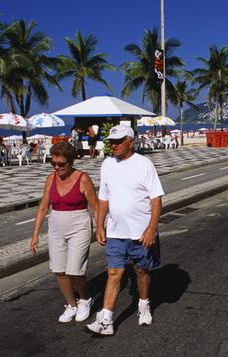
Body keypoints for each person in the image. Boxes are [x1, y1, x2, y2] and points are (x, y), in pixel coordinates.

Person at [87, 125, 164, 336]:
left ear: (131, 141)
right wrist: (99, 225)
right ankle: (106, 320)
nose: (114, 145)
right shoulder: (107, 164)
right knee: (114, 273)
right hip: (115, 232)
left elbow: (156, 200)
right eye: (112, 142)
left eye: (119, 141)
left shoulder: (144, 164)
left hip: (141, 233)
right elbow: (103, 197)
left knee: (141, 271)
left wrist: (151, 229)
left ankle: (143, 303)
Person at [29, 142, 99, 324]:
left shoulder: (83, 178)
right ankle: (71, 304)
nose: (57, 168)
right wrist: (35, 234)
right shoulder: (51, 178)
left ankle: (84, 299)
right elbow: (44, 206)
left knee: (75, 270)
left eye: (61, 164)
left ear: (71, 162)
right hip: (56, 226)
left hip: (79, 225)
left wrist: (100, 229)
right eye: (54, 164)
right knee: (59, 270)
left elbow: (96, 207)